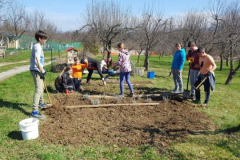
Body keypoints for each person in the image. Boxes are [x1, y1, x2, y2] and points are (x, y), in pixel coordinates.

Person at [29, 30, 48, 119]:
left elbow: (39, 60)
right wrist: (41, 70)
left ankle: (41, 103)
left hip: (38, 69)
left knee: (42, 88)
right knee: (38, 90)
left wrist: (43, 69)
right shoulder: (37, 47)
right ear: (40, 39)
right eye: (44, 39)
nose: (45, 40)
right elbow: (37, 59)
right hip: (36, 70)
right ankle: (34, 111)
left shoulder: (38, 46)